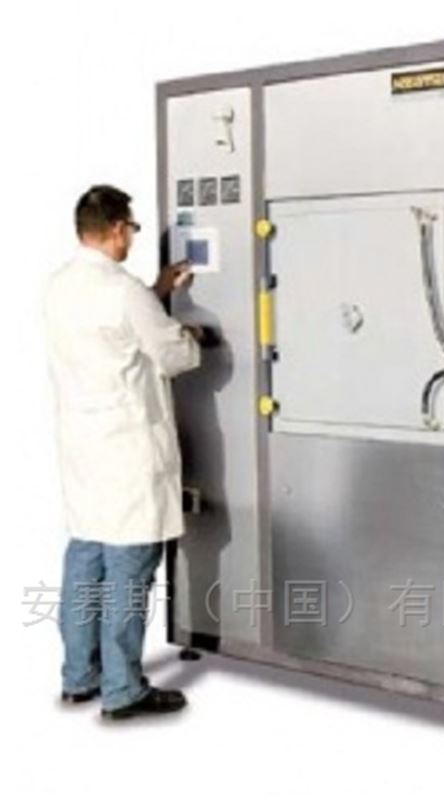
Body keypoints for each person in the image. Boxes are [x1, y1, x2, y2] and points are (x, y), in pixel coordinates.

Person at [45, 185, 206, 720]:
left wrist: (157, 292)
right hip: (128, 451)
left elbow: (115, 333)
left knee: (85, 563)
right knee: (129, 570)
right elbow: (172, 355)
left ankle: (79, 677)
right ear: (116, 228)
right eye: (132, 228)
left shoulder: (60, 286)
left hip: (85, 451)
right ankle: (123, 690)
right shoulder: (123, 291)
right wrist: (191, 335)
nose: (133, 236)